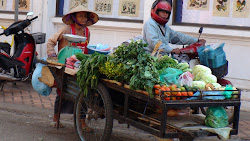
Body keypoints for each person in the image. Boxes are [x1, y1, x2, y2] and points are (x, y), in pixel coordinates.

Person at [46, 4, 99, 130]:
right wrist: (52, 54)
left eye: (85, 16)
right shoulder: (66, 30)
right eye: (80, 16)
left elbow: (86, 47)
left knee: (83, 92)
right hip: (64, 66)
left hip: (79, 67)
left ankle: (82, 123)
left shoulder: (87, 31)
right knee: (62, 92)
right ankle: (55, 119)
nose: (83, 19)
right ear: (74, 18)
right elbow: (50, 42)